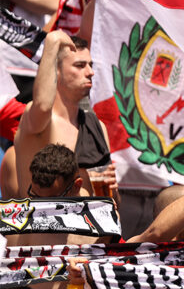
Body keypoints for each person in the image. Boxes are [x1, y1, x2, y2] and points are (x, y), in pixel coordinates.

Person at [13, 31, 113, 200]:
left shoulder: (96, 126)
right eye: (80, 65)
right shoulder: (40, 121)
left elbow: (109, 199)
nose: (90, 72)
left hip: (88, 224)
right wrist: (51, 43)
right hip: (42, 223)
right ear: (56, 71)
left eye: (90, 65)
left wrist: (113, 192)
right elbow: (43, 105)